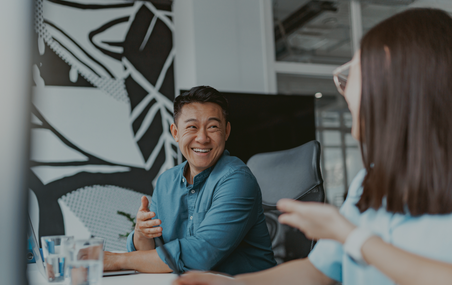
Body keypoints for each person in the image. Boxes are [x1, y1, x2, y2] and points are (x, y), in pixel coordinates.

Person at [173, 8, 452, 285]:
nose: (344, 88)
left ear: (404, 84)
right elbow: (318, 272)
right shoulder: (368, 183)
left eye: (356, 71)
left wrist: (350, 236)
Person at [103, 86, 277, 274]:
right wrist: (142, 234)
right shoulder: (166, 182)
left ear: (226, 131)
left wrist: (116, 260)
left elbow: (202, 254)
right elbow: (152, 256)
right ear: (176, 132)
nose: (202, 138)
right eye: (192, 127)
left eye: (212, 127)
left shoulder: (237, 179)